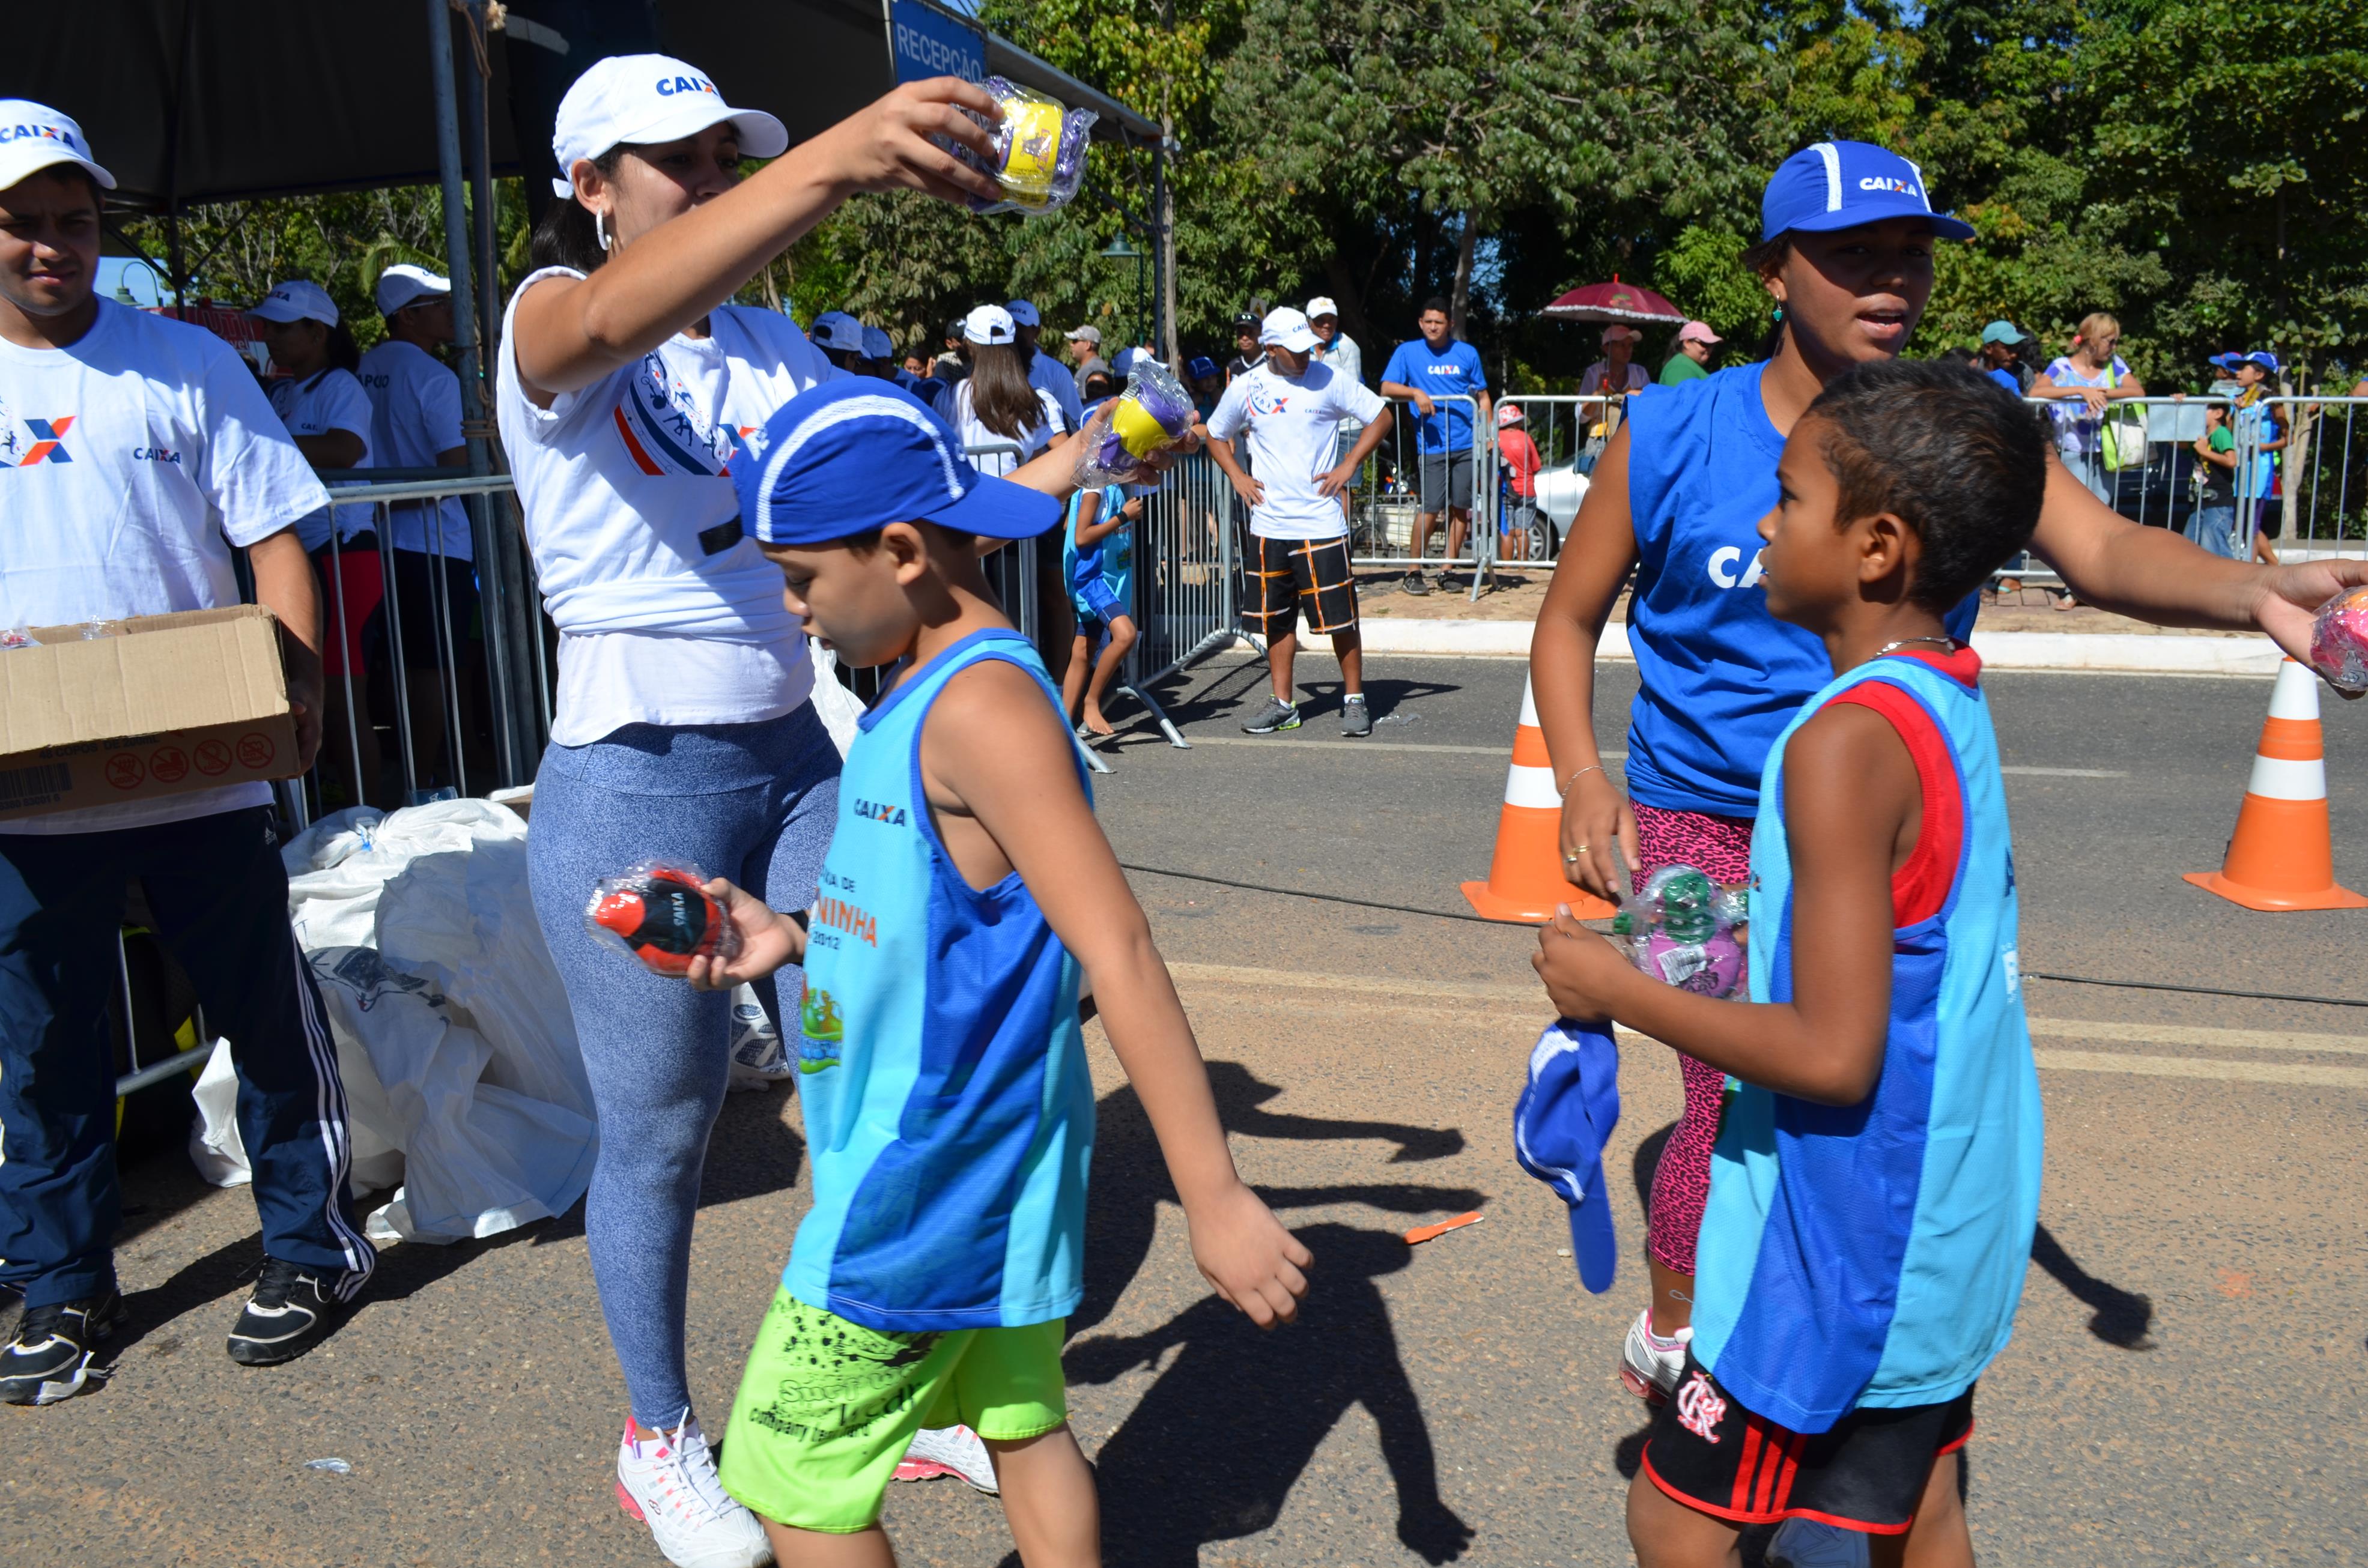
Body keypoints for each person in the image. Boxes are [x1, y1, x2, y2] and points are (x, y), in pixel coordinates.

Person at [1529, 137, 2368, 1448]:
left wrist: (2256, 593)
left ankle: (1867, 1389)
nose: (1892, 282)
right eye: (1854, 255)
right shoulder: (1677, 428)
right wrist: (1586, 784)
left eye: (1912, 256)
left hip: (1898, 817)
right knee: (1728, 1101)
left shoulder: (1953, 429)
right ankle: (1690, 1344)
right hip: (1706, 816)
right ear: (1773, 272)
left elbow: (2102, 549)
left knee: (1870, 1085)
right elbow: (1568, 621)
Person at [498, 55, 1079, 1568]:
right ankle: (658, 1435)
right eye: (669, 158)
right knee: (665, 1123)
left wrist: (1102, 453)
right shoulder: (551, 316)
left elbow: (907, 493)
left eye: (719, 154)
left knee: (877, 1047)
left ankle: (900, 1356)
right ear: (591, 186)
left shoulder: (766, 338)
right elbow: (612, 318)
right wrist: (830, 159)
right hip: (635, 766)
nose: (702, 179)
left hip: (802, 750)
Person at [688, 378, 1309, 1564]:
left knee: (793, 1476)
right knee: (1024, 1424)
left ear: (904, 551)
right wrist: (793, 942)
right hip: (975, 1157)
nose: (794, 609)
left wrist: (1215, 1196)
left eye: (804, 579)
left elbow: (1115, 945)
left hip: (929, 1170)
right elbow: (947, 925)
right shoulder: (934, 691)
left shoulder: (977, 709)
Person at [1534, 357, 2047, 1566]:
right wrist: (1665, 945)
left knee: (1672, 1515)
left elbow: (1830, 1050)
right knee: (1920, 1503)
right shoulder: (1942, 699)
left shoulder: (1838, 745)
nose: (1763, 524)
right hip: (1945, 1225)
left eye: (1790, 499)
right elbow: (1880, 949)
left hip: (1841, 1253)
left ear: (1874, 548)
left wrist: (1619, 990)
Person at [0, 100, 377, 1406]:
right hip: (29, 794)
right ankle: (60, 1288)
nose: (54, 246)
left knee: (264, 1016)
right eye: (24, 224)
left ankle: (314, 1243)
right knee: (38, 1054)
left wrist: (300, 678)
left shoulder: (184, 363)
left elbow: (276, 528)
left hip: (198, 767)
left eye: (74, 221)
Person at [1208, 306, 1395, 737]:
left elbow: (1381, 415)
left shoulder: (1329, 378)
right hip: (1270, 524)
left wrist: (1350, 463)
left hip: (1322, 522)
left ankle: (1354, 699)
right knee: (1276, 618)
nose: (1305, 355)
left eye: (1308, 346)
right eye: (1294, 350)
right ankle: (1283, 704)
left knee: (1341, 619)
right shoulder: (1248, 385)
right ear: (1270, 348)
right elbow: (1217, 434)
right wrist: (1238, 476)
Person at [247, 279, 381, 812]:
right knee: (308, 693)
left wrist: (265, 444)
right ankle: (336, 811)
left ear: (318, 332)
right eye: (268, 327)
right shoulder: (283, 392)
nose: (270, 338)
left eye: (282, 328)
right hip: (304, 555)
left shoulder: (341, 385)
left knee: (345, 697)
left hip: (344, 550)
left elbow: (346, 449)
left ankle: (369, 816)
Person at [357, 263, 482, 796]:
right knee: (433, 669)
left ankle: (415, 774)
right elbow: (456, 468)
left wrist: (378, 507)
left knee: (401, 667)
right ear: (408, 315)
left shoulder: (362, 369)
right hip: (435, 544)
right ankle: (423, 783)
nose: (451, 312)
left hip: (380, 543)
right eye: (438, 303)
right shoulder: (435, 377)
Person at [1379, 298, 1491, 595]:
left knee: (1460, 509)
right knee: (1429, 508)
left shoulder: (1467, 353)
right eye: (1428, 321)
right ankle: (1413, 570)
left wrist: (1489, 435)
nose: (1433, 327)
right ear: (1420, 323)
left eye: (1438, 322)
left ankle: (1448, 569)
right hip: (1431, 445)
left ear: (1449, 325)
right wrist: (1415, 391)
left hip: (1467, 444)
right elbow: (1386, 387)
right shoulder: (1407, 352)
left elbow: (1483, 397)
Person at [2031, 312, 2144, 506]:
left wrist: (2099, 392)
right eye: (2110, 341)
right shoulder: (2062, 366)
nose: (2114, 347)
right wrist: (2081, 391)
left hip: (2108, 450)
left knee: (2101, 508)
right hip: (2074, 450)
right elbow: (2035, 393)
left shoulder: (2114, 365)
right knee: (2078, 508)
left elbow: (2137, 391)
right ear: (2093, 340)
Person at [1060, 481, 1141, 740]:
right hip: (1092, 579)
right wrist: (1122, 517)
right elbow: (1080, 536)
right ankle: (1092, 702)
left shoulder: (1108, 485)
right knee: (1126, 634)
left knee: (1083, 651)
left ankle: (1060, 728)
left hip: (1109, 577)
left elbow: (1068, 525)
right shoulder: (1094, 489)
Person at [951, 304, 1068, 473]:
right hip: (1014, 496)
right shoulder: (1035, 403)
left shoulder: (948, 397)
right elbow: (1036, 470)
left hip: (968, 498)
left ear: (968, 346)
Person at [2220, 350, 2288, 565]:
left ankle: (2248, 572)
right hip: (2239, 472)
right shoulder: (2236, 399)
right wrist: (2234, 413)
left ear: (2259, 375)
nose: (2237, 373)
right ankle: (2274, 567)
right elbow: (2231, 432)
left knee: (2252, 526)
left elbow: (2288, 437)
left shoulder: (2271, 402)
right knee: (2241, 524)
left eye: (2243, 369)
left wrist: (2264, 446)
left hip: (2260, 472)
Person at [1007, 298, 1083, 433]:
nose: (1014, 333)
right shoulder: (989, 369)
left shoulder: (1058, 373)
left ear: (1037, 332)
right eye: (1009, 327)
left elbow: (1075, 423)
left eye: (1021, 328)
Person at [1577, 324, 1650, 453]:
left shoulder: (1640, 373)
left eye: (1630, 345)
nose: (1627, 350)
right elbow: (1581, 417)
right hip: (1600, 441)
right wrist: (1599, 390)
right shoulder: (1594, 373)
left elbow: (1650, 407)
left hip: (1632, 438)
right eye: (1622, 345)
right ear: (1606, 349)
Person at [2187, 403, 2244, 560]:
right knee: (2187, 545)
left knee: (2213, 547)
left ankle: (2229, 580)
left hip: (2218, 502)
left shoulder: (2221, 433)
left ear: (2218, 413)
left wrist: (2205, 452)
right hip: (2200, 501)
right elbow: (2175, 442)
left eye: (2203, 409)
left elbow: (2231, 461)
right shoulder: (2201, 435)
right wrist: (2181, 405)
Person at [1978, 319, 2034, 396]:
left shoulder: (2023, 371)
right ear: (1989, 349)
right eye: (2007, 348)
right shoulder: (1973, 373)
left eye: (2015, 348)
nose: (2014, 354)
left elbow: (2034, 404)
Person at [1658, 321, 1720, 386]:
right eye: (1704, 344)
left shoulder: (1688, 365)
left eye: (1712, 345)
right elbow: (1683, 395)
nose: (1709, 350)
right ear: (1687, 343)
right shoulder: (1681, 367)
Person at [1224, 309, 1265, 384]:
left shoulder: (1271, 363)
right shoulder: (1234, 366)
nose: (1245, 338)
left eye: (1251, 333)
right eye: (1241, 333)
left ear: (1260, 333)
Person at [1064, 322, 1108, 388]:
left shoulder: (1093, 370)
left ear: (1087, 345)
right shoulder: (1089, 368)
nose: (1071, 344)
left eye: (1075, 341)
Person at [1186, 354, 1225, 419]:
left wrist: (1220, 401)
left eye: (1213, 376)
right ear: (1193, 381)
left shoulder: (1218, 394)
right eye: (1205, 378)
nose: (1210, 381)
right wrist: (1193, 404)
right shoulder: (1191, 400)